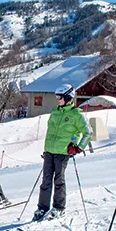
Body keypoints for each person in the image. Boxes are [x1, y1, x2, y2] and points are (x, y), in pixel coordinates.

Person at [32, 84, 91, 222]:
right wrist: (46, 150)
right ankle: (42, 208)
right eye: (57, 97)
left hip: (63, 152)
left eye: (60, 97)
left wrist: (78, 147)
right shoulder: (55, 112)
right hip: (49, 152)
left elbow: (88, 132)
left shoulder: (76, 114)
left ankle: (59, 207)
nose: (57, 99)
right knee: (45, 181)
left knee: (59, 180)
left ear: (68, 97)